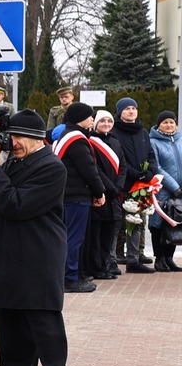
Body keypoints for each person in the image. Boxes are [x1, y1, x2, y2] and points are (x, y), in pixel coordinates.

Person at [0, 110, 70, 366]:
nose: (12, 143)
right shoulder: (13, 161)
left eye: (18, 137)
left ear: (37, 138)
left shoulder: (52, 168)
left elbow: (17, 205)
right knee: (11, 319)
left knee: (44, 324)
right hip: (11, 255)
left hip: (38, 255)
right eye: (10, 136)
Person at [54, 101, 103, 293]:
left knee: (68, 237)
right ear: (80, 118)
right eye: (89, 115)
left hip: (68, 194)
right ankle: (70, 278)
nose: (92, 118)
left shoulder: (67, 135)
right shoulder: (76, 139)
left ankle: (71, 275)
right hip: (76, 195)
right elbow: (89, 170)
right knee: (73, 238)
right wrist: (99, 192)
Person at [111, 98, 155, 272]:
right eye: (127, 108)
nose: (131, 111)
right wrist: (133, 173)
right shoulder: (114, 131)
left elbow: (151, 154)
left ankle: (133, 260)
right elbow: (118, 157)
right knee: (117, 223)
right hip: (123, 183)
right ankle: (112, 259)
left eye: (134, 108)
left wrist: (151, 171)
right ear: (120, 112)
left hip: (141, 185)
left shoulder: (143, 132)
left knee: (136, 221)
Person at [84, 110, 123, 282]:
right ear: (95, 123)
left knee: (108, 234)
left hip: (115, 194)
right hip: (101, 194)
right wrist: (109, 187)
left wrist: (119, 186)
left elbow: (124, 166)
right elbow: (94, 168)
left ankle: (106, 264)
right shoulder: (91, 141)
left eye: (109, 121)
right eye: (102, 121)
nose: (106, 124)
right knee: (96, 235)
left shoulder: (115, 141)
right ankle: (96, 267)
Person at [149, 109, 182, 271]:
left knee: (176, 223)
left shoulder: (180, 139)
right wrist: (175, 187)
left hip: (180, 192)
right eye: (165, 122)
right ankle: (159, 258)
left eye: (171, 122)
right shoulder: (153, 142)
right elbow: (157, 167)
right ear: (159, 125)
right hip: (162, 189)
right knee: (158, 224)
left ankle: (169, 258)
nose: (169, 125)